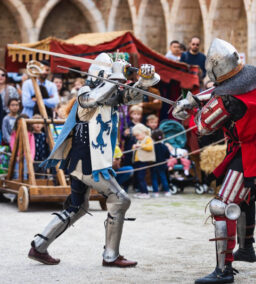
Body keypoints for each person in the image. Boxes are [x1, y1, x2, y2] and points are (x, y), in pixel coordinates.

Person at [173, 38, 256, 284]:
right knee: (244, 195)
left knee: (222, 205)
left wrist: (189, 110)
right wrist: (192, 99)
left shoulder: (228, 100)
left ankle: (223, 270)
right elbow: (217, 90)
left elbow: (204, 126)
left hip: (252, 149)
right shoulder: (253, 76)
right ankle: (246, 248)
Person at [28, 53, 160, 267]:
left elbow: (134, 96)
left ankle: (39, 246)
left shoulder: (112, 95)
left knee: (77, 207)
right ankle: (111, 255)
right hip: (86, 161)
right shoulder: (86, 92)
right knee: (120, 199)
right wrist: (117, 77)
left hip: (91, 160)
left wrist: (144, 79)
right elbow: (93, 99)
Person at [132, 123, 155, 199]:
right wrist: (134, 147)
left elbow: (150, 147)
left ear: (143, 132)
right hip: (138, 161)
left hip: (143, 161)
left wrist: (140, 146)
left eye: (137, 135)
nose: (137, 137)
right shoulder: (140, 140)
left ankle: (145, 193)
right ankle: (141, 191)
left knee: (141, 177)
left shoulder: (148, 138)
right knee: (138, 177)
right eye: (135, 136)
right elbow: (134, 150)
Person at [150, 129, 171, 197]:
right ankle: (167, 191)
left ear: (152, 137)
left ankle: (155, 192)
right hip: (162, 164)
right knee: (163, 177)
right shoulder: (164, 146)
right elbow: (168, 155)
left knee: (154, 178)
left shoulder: (152, 147)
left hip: (153, 164)